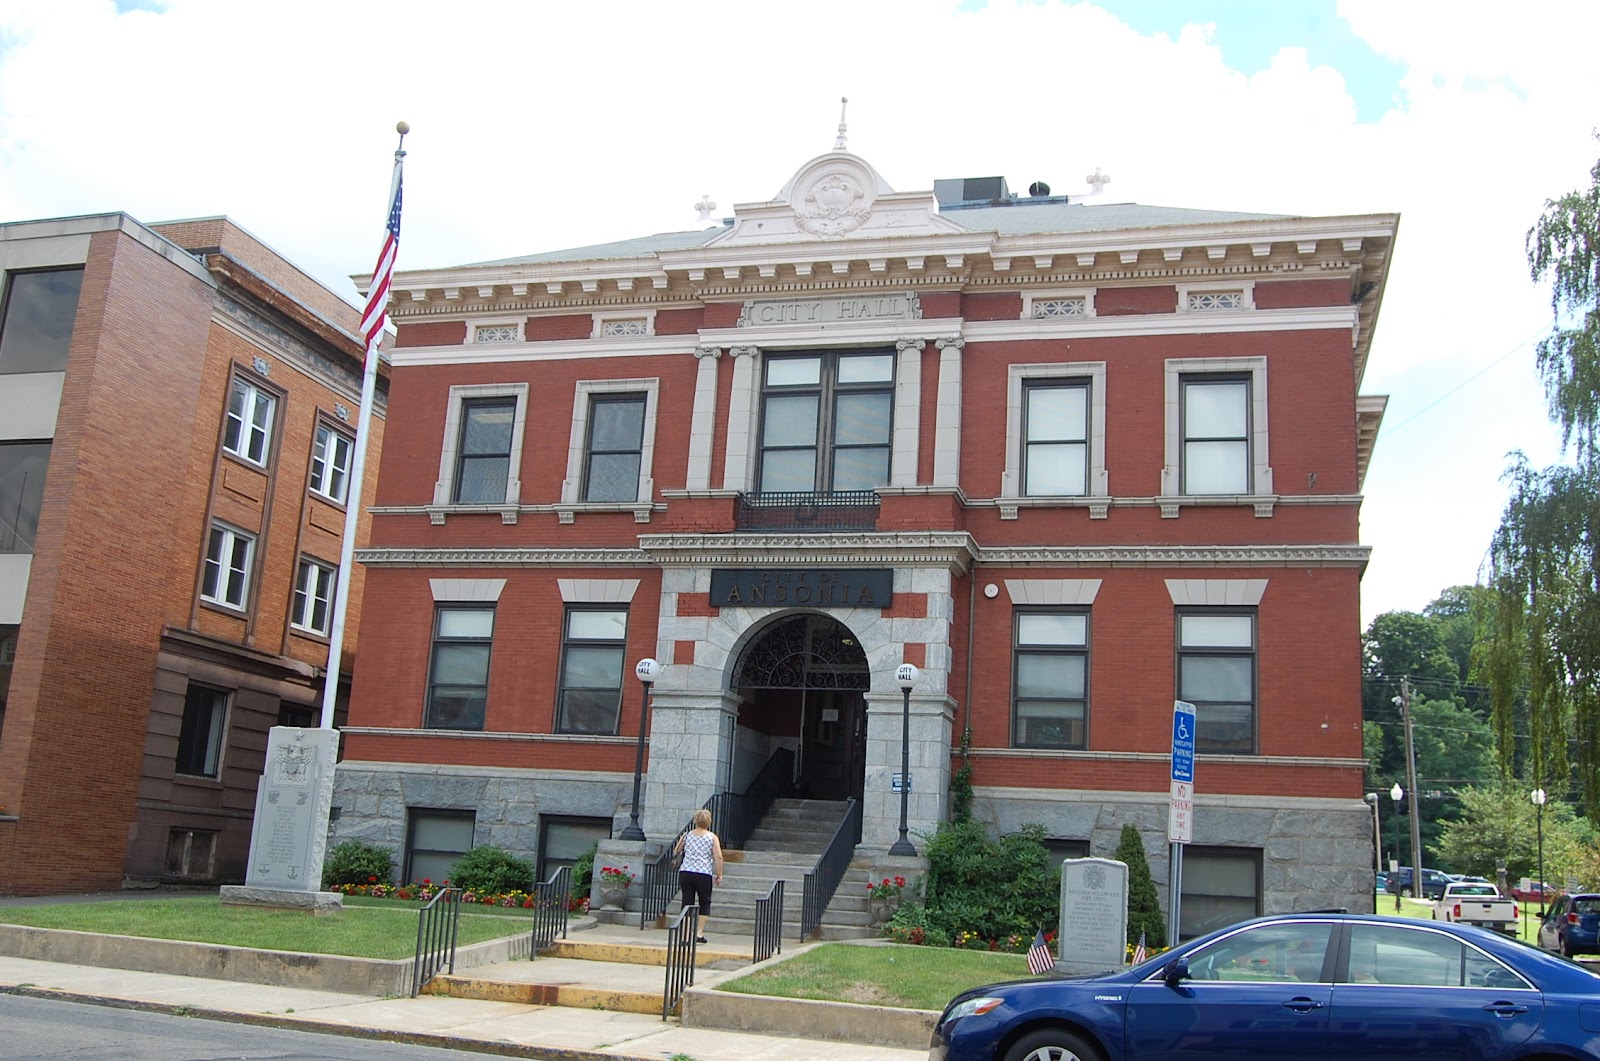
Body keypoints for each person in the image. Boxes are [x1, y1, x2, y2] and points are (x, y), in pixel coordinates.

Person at [673, 808, 724, 944]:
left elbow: (676, 850)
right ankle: (698, 933)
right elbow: (718, 856)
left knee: (687, 902)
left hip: (686, 871)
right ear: (709, 821)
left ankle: (684, 935)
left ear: (695, 820)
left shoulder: (687, 835)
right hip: (703, 872)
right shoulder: (712, 837)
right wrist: (719, 874)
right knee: (704, 902)